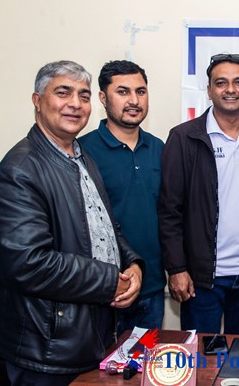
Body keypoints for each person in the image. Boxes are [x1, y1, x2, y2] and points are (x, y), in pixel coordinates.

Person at [0, 60, 143, 385]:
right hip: (47, 351)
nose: (75, 103)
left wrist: (132, 264)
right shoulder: (21, 170)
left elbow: (105, 227)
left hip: (90, 336)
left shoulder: (81, 157)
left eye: (83, 96)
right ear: (37, 101)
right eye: (63, 93)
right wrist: (109, 281)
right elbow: (29, 264)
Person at [159, 53, 239, 335]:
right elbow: (169, 211)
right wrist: (177, 268)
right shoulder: (183, 137)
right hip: (201, 281)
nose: (230, 89)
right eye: (221, 83)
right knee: (201, 358)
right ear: (209, 90)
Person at [80, 60, 166, 334]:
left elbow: (171, 214)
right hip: (102, 292)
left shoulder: (159, 148)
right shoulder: (82, 151)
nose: (134, 101)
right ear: (103, 98)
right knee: (100, 362)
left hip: (151, 288)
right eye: (122, 91)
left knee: (146, 361)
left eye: (140, 91)